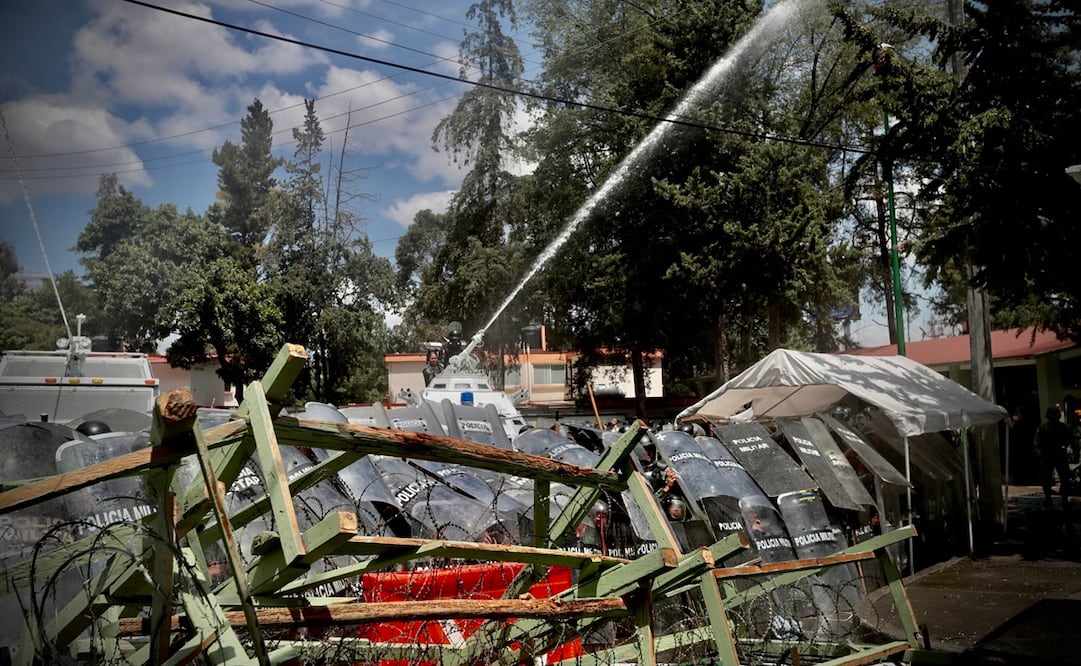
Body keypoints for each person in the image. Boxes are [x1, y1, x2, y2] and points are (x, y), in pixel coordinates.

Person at [1035, 406, 1076, 509]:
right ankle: (1049, 498)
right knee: (1047, 478)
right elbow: (1036, 440)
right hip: (1048, 455)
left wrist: (1075, 451)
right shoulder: (1043, 427)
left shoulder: (1062, 427)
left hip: (1059, 454)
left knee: (1064, 477)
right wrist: (1037, 450)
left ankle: (1063, 498)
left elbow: (1071, 440)